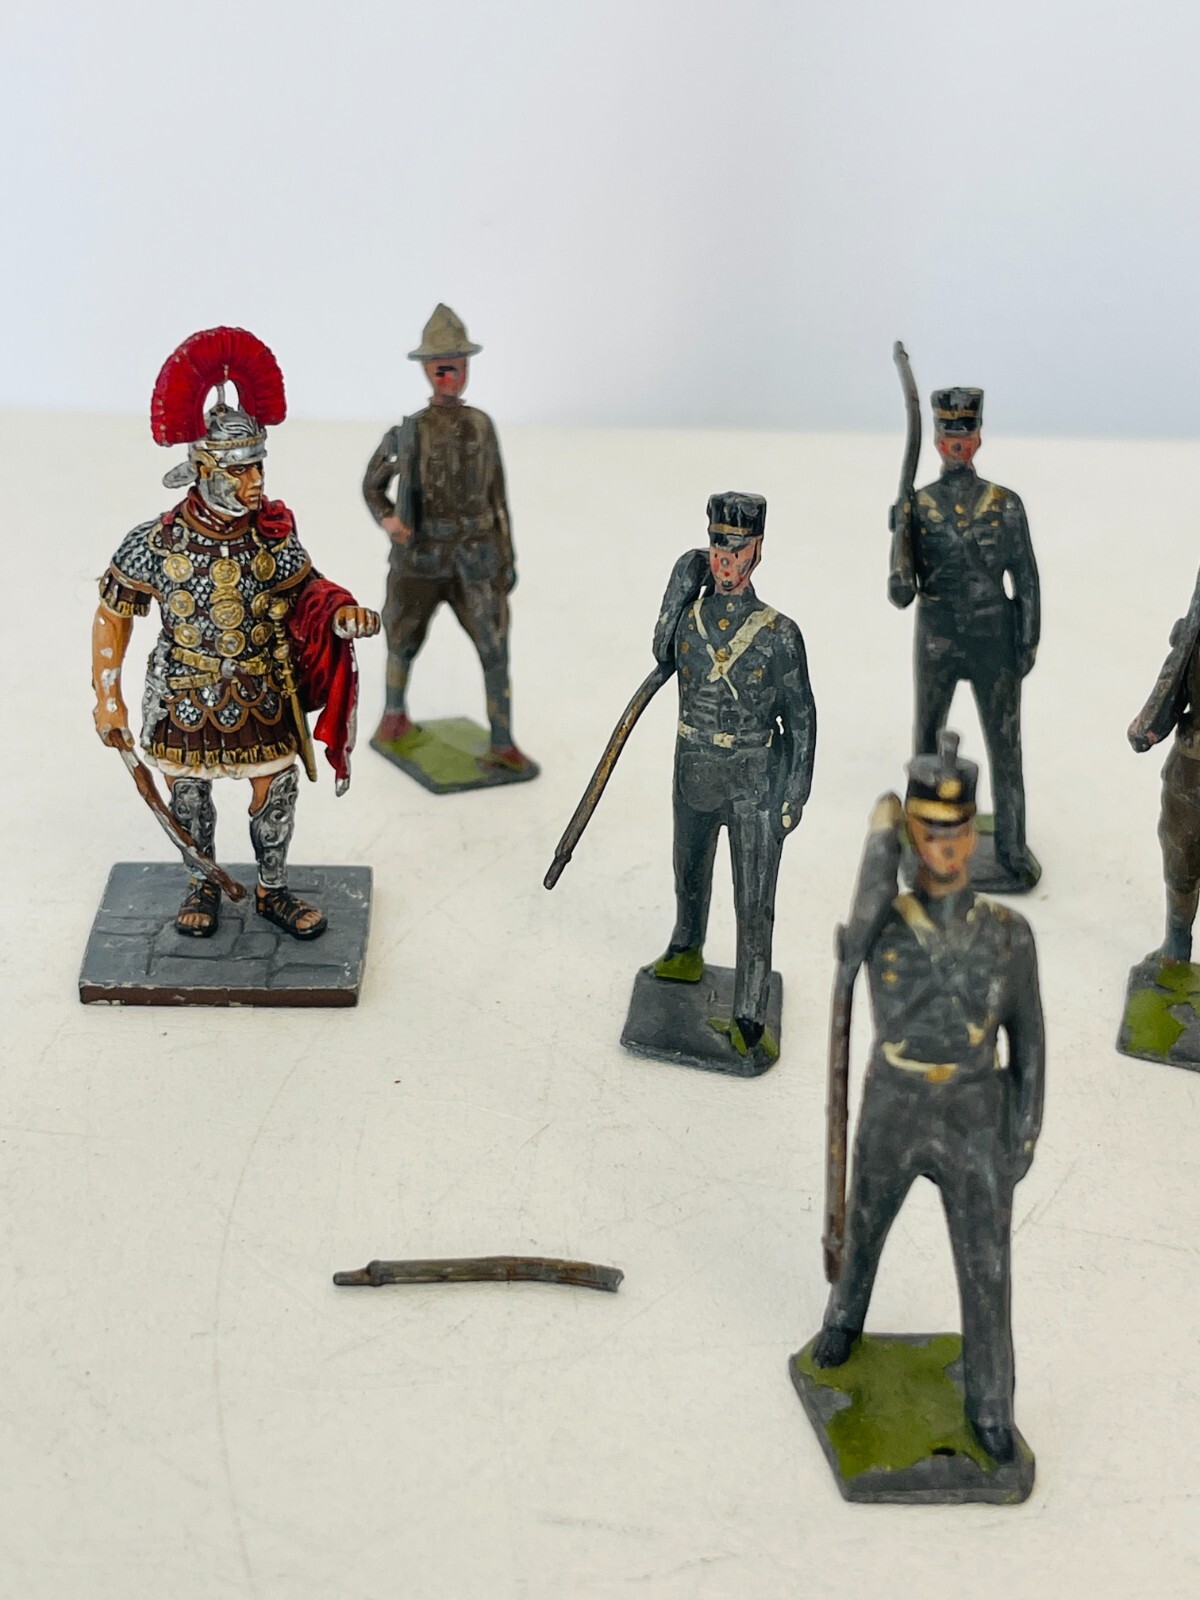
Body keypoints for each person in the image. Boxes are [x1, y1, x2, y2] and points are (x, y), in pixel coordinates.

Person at [91, 327, 379, 939]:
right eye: (239, 471)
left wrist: (340, 614)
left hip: (262, 689)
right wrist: (108, 697)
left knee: (275, 792)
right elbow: (113, 613)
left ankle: (272, 889)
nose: (255, 484)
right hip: (183, 693)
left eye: (258, 469)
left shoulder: (271, 534)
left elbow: (309, 592)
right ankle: (202, 883)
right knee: (188, 796)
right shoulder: (156, 542)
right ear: (200, 469)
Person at [813, 732, 1044, 1464]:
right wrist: (881, 836)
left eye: (959, 832)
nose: (947, 848)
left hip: (975, 1110)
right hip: (895, 1100)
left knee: (988, 1267)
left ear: (973, 836)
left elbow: (1030, 1043)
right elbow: (854, 939)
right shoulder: (880, 930)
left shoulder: (1010, 935)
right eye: (930, 833)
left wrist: (1024, 1132)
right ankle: (843, 1320)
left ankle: (991, 1404)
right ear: (915, 838)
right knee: (865, 1225)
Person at [649, 490, 816, 1065]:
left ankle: (749, 1010)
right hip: (694, 771)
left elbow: (801, 718)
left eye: (737, 550)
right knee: (688, 875)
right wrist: (682, 576)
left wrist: (794, 794)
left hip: (753, 783)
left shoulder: (779, 633)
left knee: (754, 901)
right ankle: (685, 949)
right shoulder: (690, 622)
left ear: (757, 552)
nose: (725, 561)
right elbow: (660, 650)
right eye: (717, 549)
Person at [362, 304, 529, 771]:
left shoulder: (481, 426)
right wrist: (389, 520)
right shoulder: (407, 432)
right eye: (441, 367)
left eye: (457, 364)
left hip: (477, 558)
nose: (450, 375)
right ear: (428, 371)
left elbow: (498, 496)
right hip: (420, 558)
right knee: (401, 636)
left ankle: (502, 740)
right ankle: (393, 717)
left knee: (494, 647)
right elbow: (372, 485)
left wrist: (507, 557)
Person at [889, 387, 1040, 889]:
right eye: (948, 432)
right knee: (925, 739)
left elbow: (1026, 577)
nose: (957, 441)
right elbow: (902, 593)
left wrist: (1027, 642)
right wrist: (899, 543)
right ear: (936, 439)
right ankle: (921, 843)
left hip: (994, 638)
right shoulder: (918, 506)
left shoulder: (1006, 504)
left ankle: (1012, 849)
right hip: (937, 638)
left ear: (978, 437)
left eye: (965, 431)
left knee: (1005, 744)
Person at [1128, 570, 1200, 959]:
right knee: (1179, 851)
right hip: (1192, 763)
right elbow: (1174, 678)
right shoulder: (1194, 635)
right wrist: (1149, 724)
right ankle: (1177, 941)